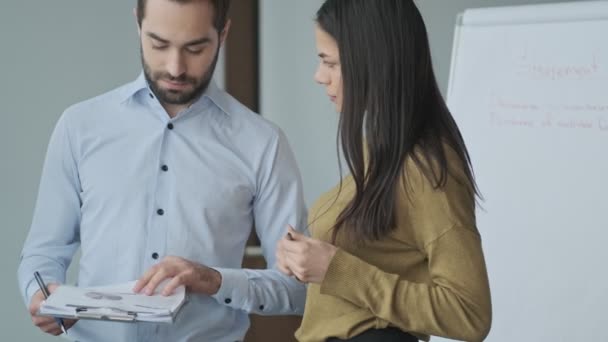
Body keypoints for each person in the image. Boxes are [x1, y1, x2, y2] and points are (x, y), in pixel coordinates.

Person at [18, 0, 307, 341]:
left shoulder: (263, 143)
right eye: (159, 44)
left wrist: (215, 280)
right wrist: (39, 295)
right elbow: (44, 252)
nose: (175, 67)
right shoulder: (79, 127)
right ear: (138, 25)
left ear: (223, 33)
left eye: (195, 48)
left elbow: (297, 288)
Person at [276, 0, 492, 341]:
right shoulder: (381, 148)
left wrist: (336, 269)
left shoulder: (428, 169)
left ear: (372, 64)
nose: (319, 77)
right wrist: (306, 258)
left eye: (329, 62)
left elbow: (469, 312)